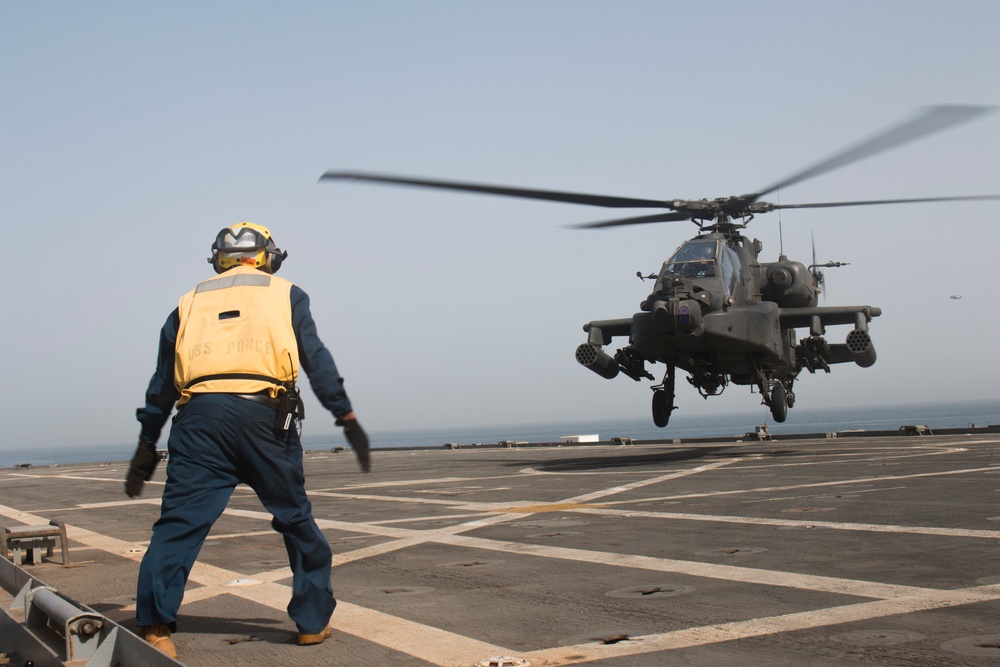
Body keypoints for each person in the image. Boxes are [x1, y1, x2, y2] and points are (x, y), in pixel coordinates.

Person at [125, 222, 370, 658]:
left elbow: (162, 382)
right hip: (264, 418)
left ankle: (156, 629)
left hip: (198, 420)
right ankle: (312, 624)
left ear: (217, 259)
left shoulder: (188, 302)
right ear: (267, 256)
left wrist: (147, 443)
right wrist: (344, 414)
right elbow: (316, 359)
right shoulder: (286, 293)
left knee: (178, 527)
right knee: (295, 519)